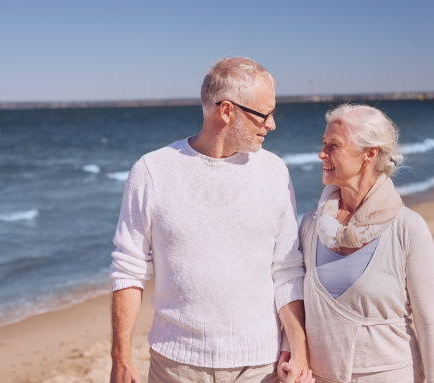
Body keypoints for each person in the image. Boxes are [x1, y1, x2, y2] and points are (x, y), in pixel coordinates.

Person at [109, 57, 313, 383]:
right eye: (264, 114)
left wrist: (299, 349)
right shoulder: (152, 171)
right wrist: (120, 358)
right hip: (174, 365)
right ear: (227, 111)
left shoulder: (275, 172)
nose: (271, 124)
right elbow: (128, 268)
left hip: (261, 366)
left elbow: (287, 267)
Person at [288, 104, 434, 382]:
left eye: (334, 146)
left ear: (369, 154)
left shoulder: (407, 228)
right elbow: (296, 301)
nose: (322, 154)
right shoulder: (310, 225)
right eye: (323, 144)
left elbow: (430, 321)